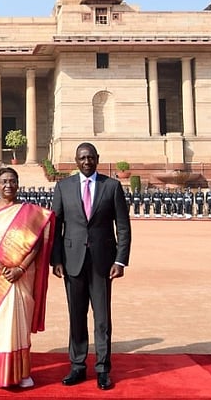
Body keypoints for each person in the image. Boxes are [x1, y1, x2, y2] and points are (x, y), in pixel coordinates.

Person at [50, 142, 131, 390]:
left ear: (97, 159)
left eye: (90, 157)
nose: (86, 162)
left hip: (103, 262)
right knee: (76, 316)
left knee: (102, 319)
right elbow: (56, 227)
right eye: (82, 158)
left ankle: (103, 369)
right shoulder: (63, 187)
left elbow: (123, 226)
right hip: (72, 261)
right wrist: (56, 260)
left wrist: (120, 259)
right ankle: (77, 366)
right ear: (76, 160)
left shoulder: (112, 186)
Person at [0, 167, 55, 389]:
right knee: (1, 324)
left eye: (12, 181)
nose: (8, 185)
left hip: (22, 275)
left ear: (18, 184)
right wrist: (1, 268)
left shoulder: (29, 212)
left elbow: (37, 243)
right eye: (3, 181)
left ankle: (22, 373)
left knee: (19, 324)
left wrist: (20, 267)